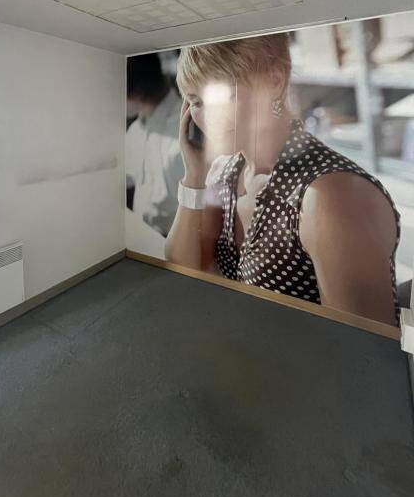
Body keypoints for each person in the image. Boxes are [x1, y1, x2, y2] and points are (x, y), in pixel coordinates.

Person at [164, 33, 401, 326]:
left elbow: (361, 348)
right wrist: (194, 177)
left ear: (275, 81)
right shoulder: (222, 173)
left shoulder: (330, 197)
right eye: (196, 101)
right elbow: (185, 269)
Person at [126, 54, 184, 237]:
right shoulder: (137, 128)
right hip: (141, 236)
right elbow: (127, 176)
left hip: (171, 241)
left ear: (136, 93)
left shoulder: (183, 132)